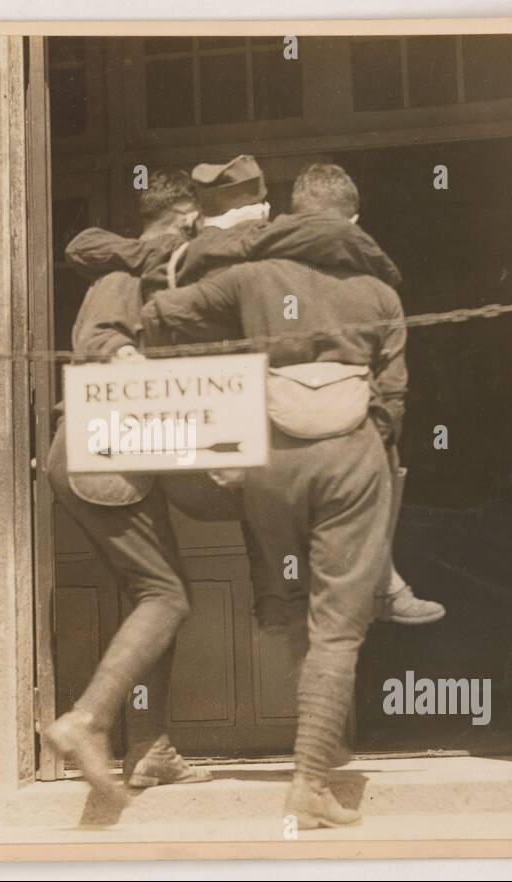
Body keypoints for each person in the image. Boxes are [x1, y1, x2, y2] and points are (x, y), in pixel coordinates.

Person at [142, 162, 409, 828]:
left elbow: (160, 310)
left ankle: (274, 601)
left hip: (266, 459)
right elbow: (395, 399)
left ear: (291, 217)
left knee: (291, 593)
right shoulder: (380, 292)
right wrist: (368, 442)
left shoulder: (248, 276)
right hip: (349, 457)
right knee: (338, 625)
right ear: (353, 221)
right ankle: (311, 780)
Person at [71, 156, 442, 626]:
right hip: (232, 421)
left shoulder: (190, 253)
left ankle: (285, 598)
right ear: (262, 208)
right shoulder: (262, 248)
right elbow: (342, 241)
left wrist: (174, 250)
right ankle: (349, 588)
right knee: (355, 452)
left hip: (214, 418)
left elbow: (86, 247)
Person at [42, 169, 231, 797]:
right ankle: (87, 720)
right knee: (167, 596)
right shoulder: (123, 277)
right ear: (185, 221)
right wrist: (129, 359)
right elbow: (99, 341)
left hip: (122, 456)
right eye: (200, 226)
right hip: (101, 456)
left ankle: (150, 748)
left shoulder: (147, 278)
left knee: (156, 596)